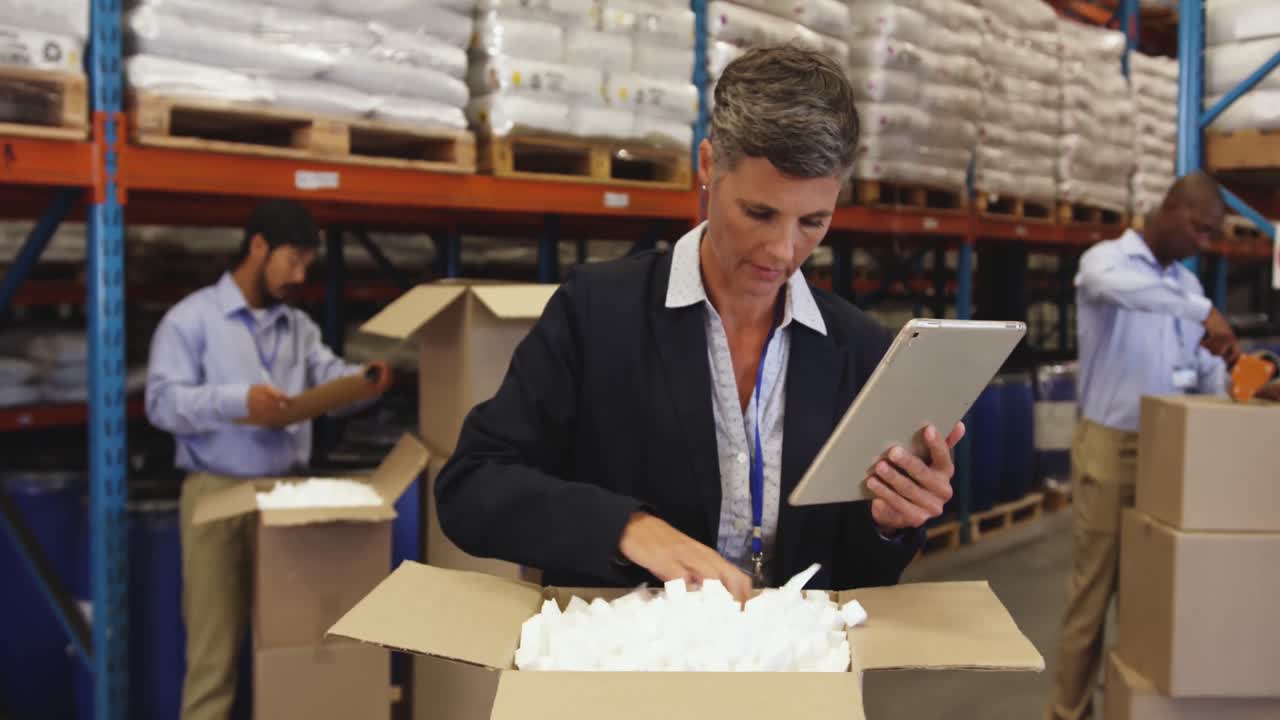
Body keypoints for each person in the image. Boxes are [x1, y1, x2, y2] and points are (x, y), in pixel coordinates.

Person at [434, 45, 964, 601]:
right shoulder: (599, 313)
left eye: (813, 221)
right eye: (759, 213)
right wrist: (630, 530)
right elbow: (472, 486)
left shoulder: (856, 349)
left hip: (795, 673)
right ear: (709, 167)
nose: (783, 251)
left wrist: (891, 522)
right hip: (628, 670)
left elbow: (854, 576)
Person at [145, 199, 392, 720]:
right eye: (294, 259)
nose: (301, 275)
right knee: (214, 656)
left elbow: (327, 376)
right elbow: (161, 403)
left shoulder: (297, 327)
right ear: (258, 247)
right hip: (217, 494)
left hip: (286, 499)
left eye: (308, 263)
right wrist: (238, 403)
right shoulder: (190, 321)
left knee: (295, 648)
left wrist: (364, 383)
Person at [1047, 171, 1236, 720]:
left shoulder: (1187, 287)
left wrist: (1234, 382)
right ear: (1172, 209)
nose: (1203, 243)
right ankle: (1067, 712)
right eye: (1200, 230)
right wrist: (1201, 314)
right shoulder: (1107, 263)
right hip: (1111, 446)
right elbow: (1119, 293)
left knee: (1150, 596)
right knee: (1092, 595)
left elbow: (1203, 370)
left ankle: (1131, 706)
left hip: (1170, 452)